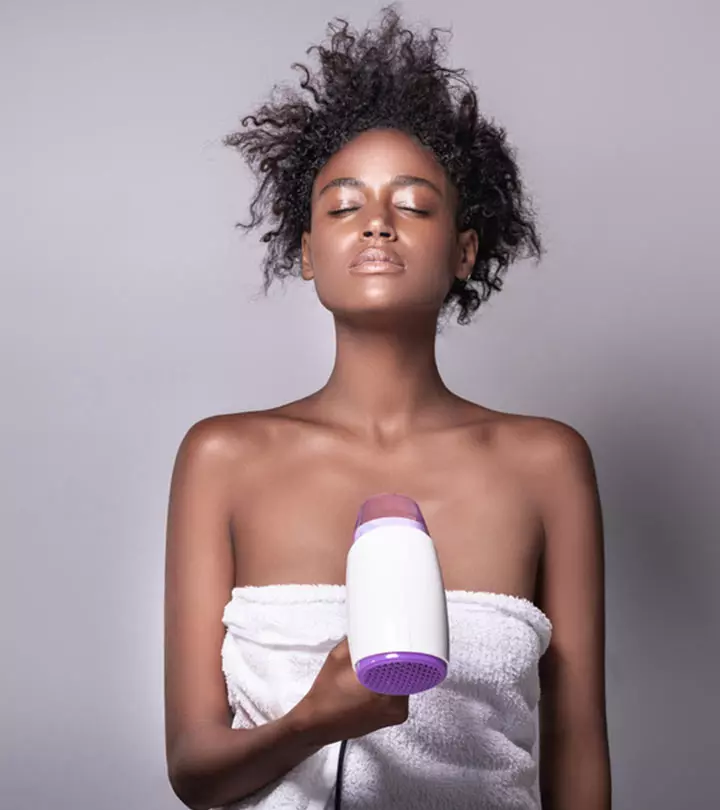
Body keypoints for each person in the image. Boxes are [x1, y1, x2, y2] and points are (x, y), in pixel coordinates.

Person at [164, 6, 611, 809]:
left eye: (413, 204)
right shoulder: (222, 457)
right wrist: (314, 720)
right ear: (306, 251)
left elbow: (578, 755)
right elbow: (195, 770)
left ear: (465, 249)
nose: (375, 222)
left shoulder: (546, 463)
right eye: (342, 207)